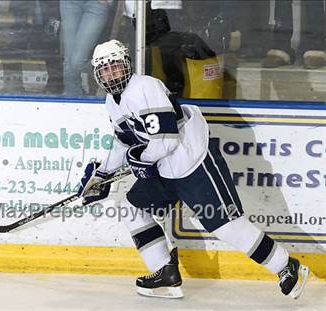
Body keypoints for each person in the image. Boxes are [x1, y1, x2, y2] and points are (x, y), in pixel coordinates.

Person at [77, 39, 310, 299]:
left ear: (126, 64)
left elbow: (166, 139)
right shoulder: (112, 102)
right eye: (105, 70)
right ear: (98, 75)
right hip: (164, 167)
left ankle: (286, 266)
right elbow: (124, 140)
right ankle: (165, 273)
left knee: (226, 227)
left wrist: (142, 159)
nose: (111, 73)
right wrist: (102, 175)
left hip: (194, 161)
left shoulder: (145, 87)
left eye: (115, 66)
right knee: (132, 209)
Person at [60, 0, 115, 96]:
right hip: (69, 3)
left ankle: (101, 72)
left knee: (76, 61)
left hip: (96, 3)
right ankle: (74, 101)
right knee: (69, 62)